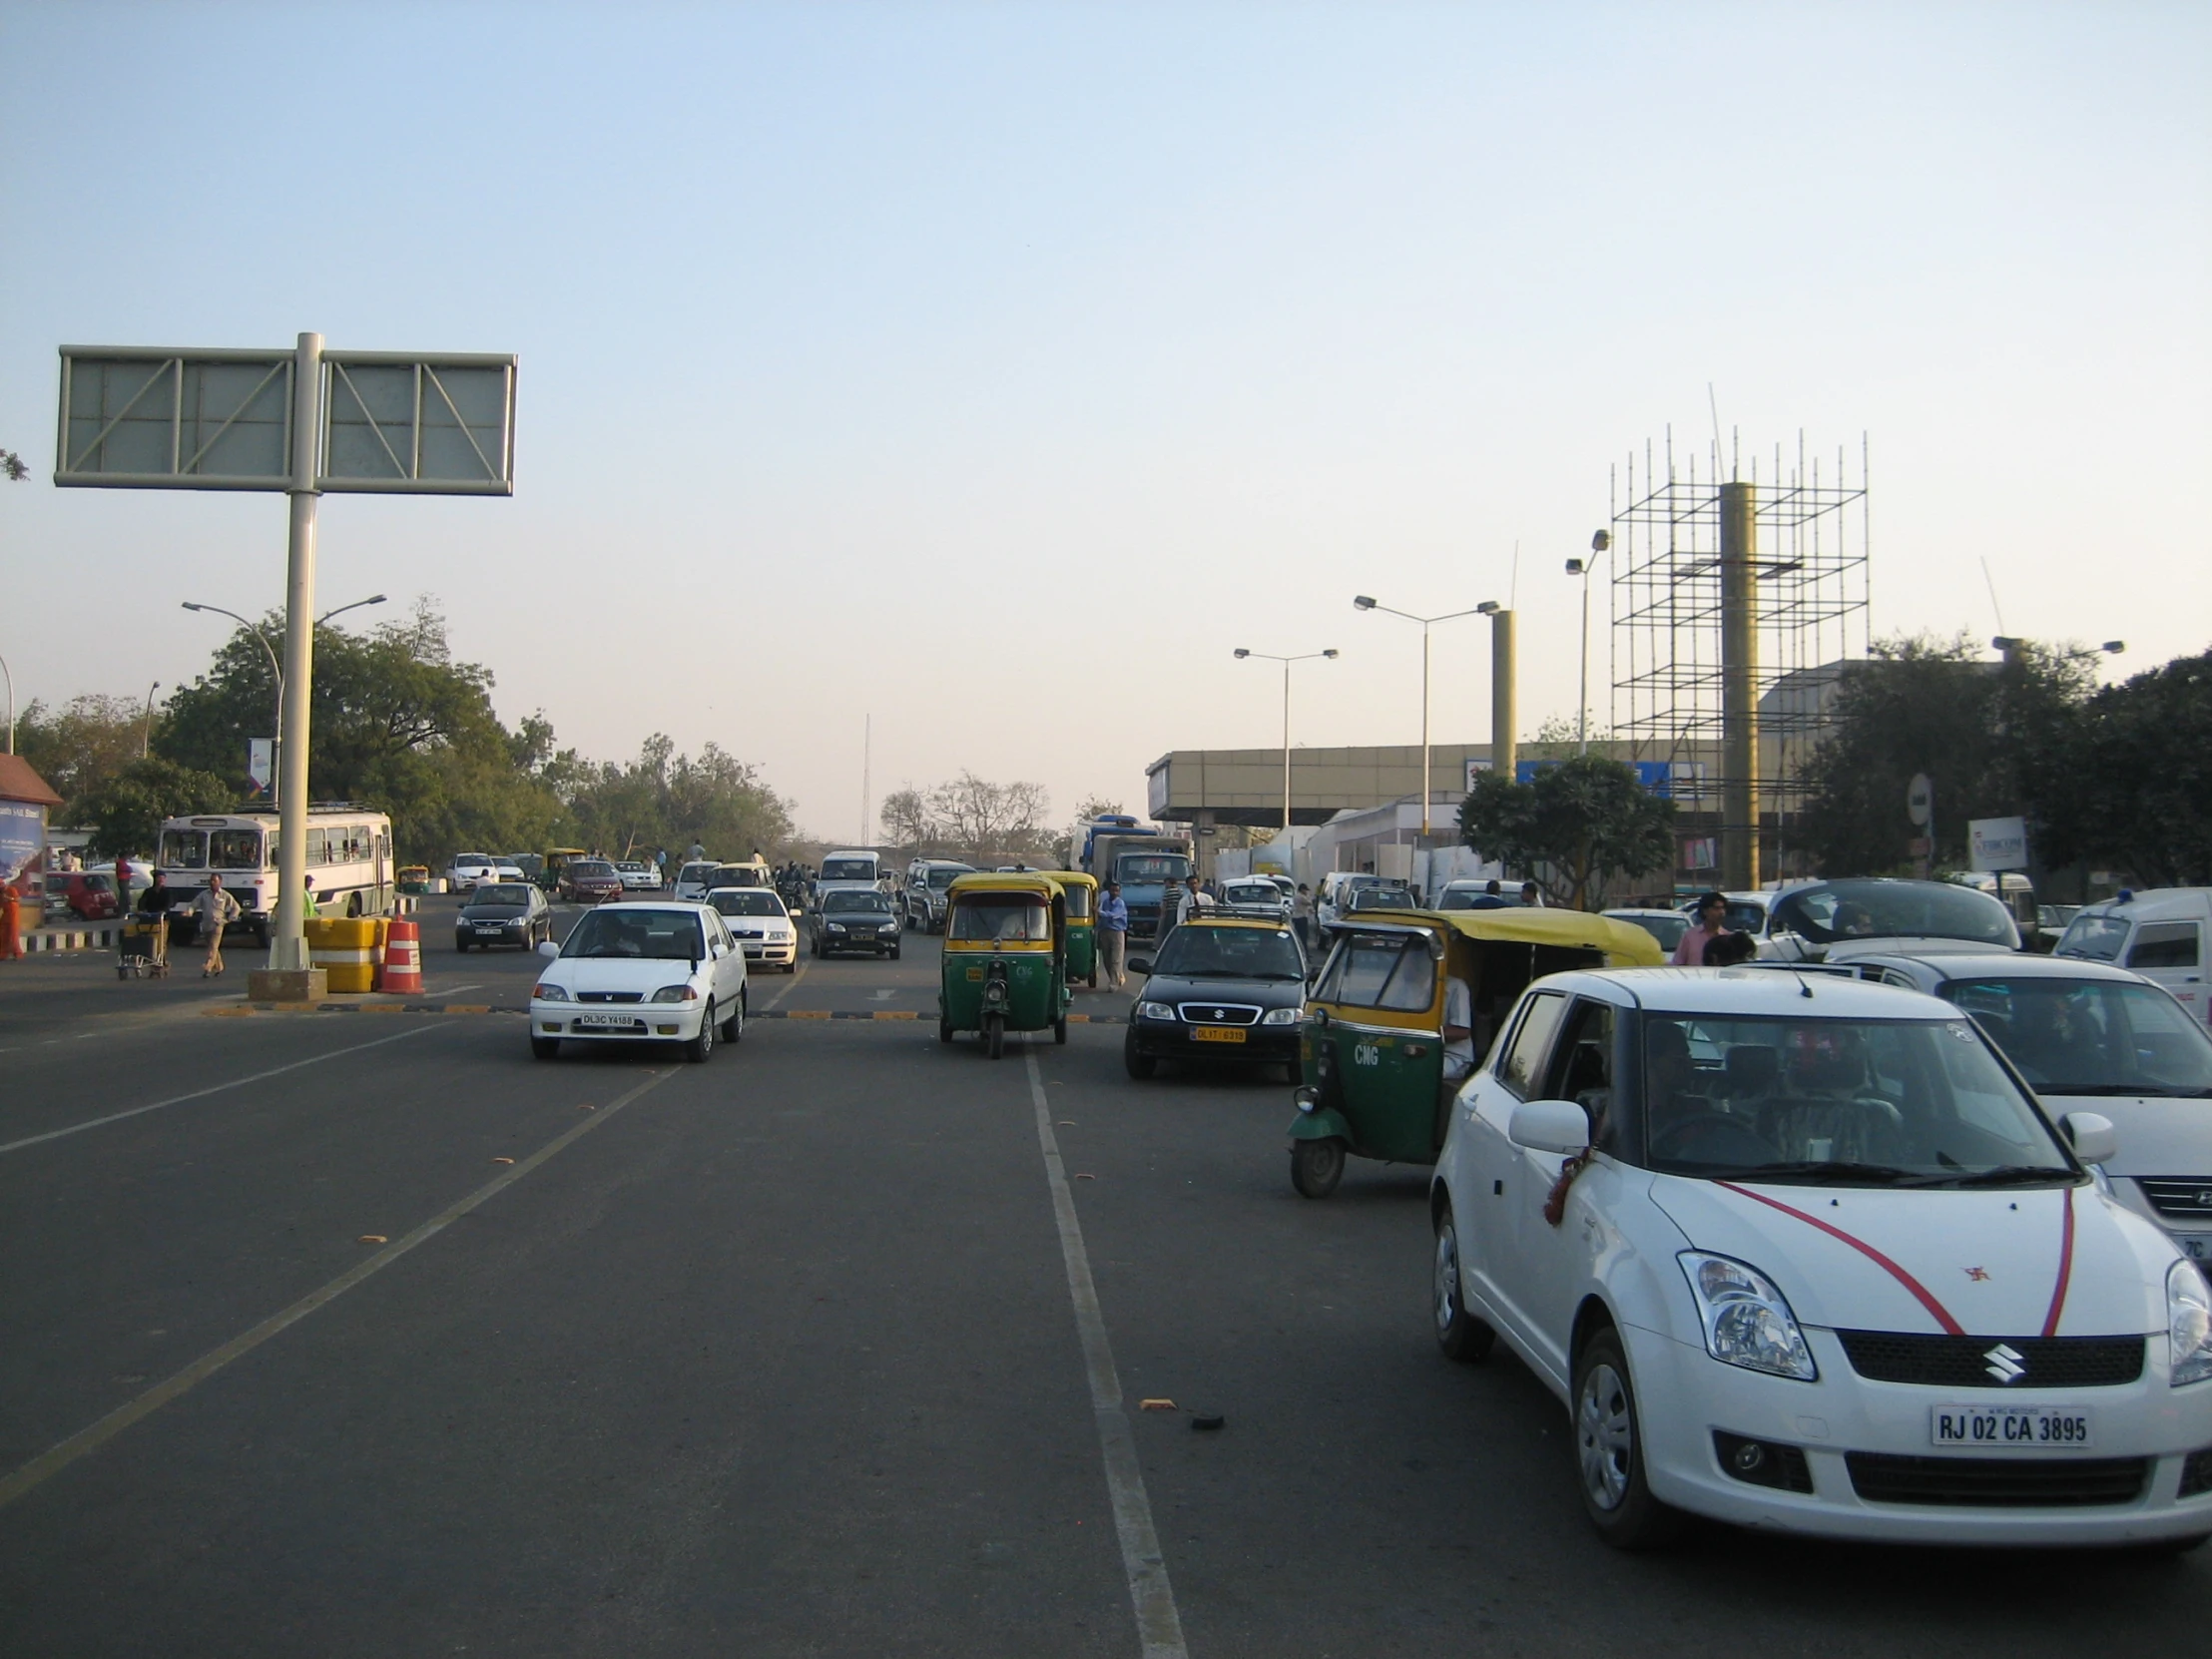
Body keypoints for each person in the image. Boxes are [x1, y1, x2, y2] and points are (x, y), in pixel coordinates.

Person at [197, 874, 241, 977]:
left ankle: (208, 967)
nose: (212, 883)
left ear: (220, 882)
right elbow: (194, 904)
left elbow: (236, 907)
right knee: (213, 947)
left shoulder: (225, 895)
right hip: (206, 924)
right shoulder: (204, 894)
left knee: (213, 946)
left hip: (218, 924)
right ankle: (219, 966)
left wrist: (229, 919)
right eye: (211, 881)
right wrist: (189, 912)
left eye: (215, 881)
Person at [1672, 891, 1730, 966]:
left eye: (1723, 908)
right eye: (1716, 908)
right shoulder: (1690, 936)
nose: (1721, 912)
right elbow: (1678, 963)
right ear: (1705, 911)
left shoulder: (1727, 938)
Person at [1097, 880, 1130, 988]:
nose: (1114, 893)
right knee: (1107, 959)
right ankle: (1117, 977)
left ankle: (1113, 983)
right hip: (1104, 931)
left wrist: (1099, 913)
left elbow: (1114, 915)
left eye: (1116, 891)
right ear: (1109, 891)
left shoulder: (1120, 903)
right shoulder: (1105, 902)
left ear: (1119, 892)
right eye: (1112, 890)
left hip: (1117, 932)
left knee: (1116, 958)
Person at [137, 870, 173, 963]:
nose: (161, 880)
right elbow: (142, 902)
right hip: (150, 919)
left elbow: (168, 904)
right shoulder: (148, 891)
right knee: (149, 939)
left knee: (161, 941)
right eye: (159, 877)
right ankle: (149, 956)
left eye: (163, 878)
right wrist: (141, 910)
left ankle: (161, 959)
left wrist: (163, 911)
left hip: (162, 920)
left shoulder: (167, 892)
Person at [1292, 882, 1314, 950]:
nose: (1306, 891)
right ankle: (1304, 951)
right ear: (1301, 889)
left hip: (1296, 917)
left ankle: (1302, 950)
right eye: (1305, 890)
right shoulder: (1301, 897)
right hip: (1301, 918)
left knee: (1299, 935)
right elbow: (1309, 902)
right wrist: (1308, 896)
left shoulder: (1296, 896)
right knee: (1303, 936)